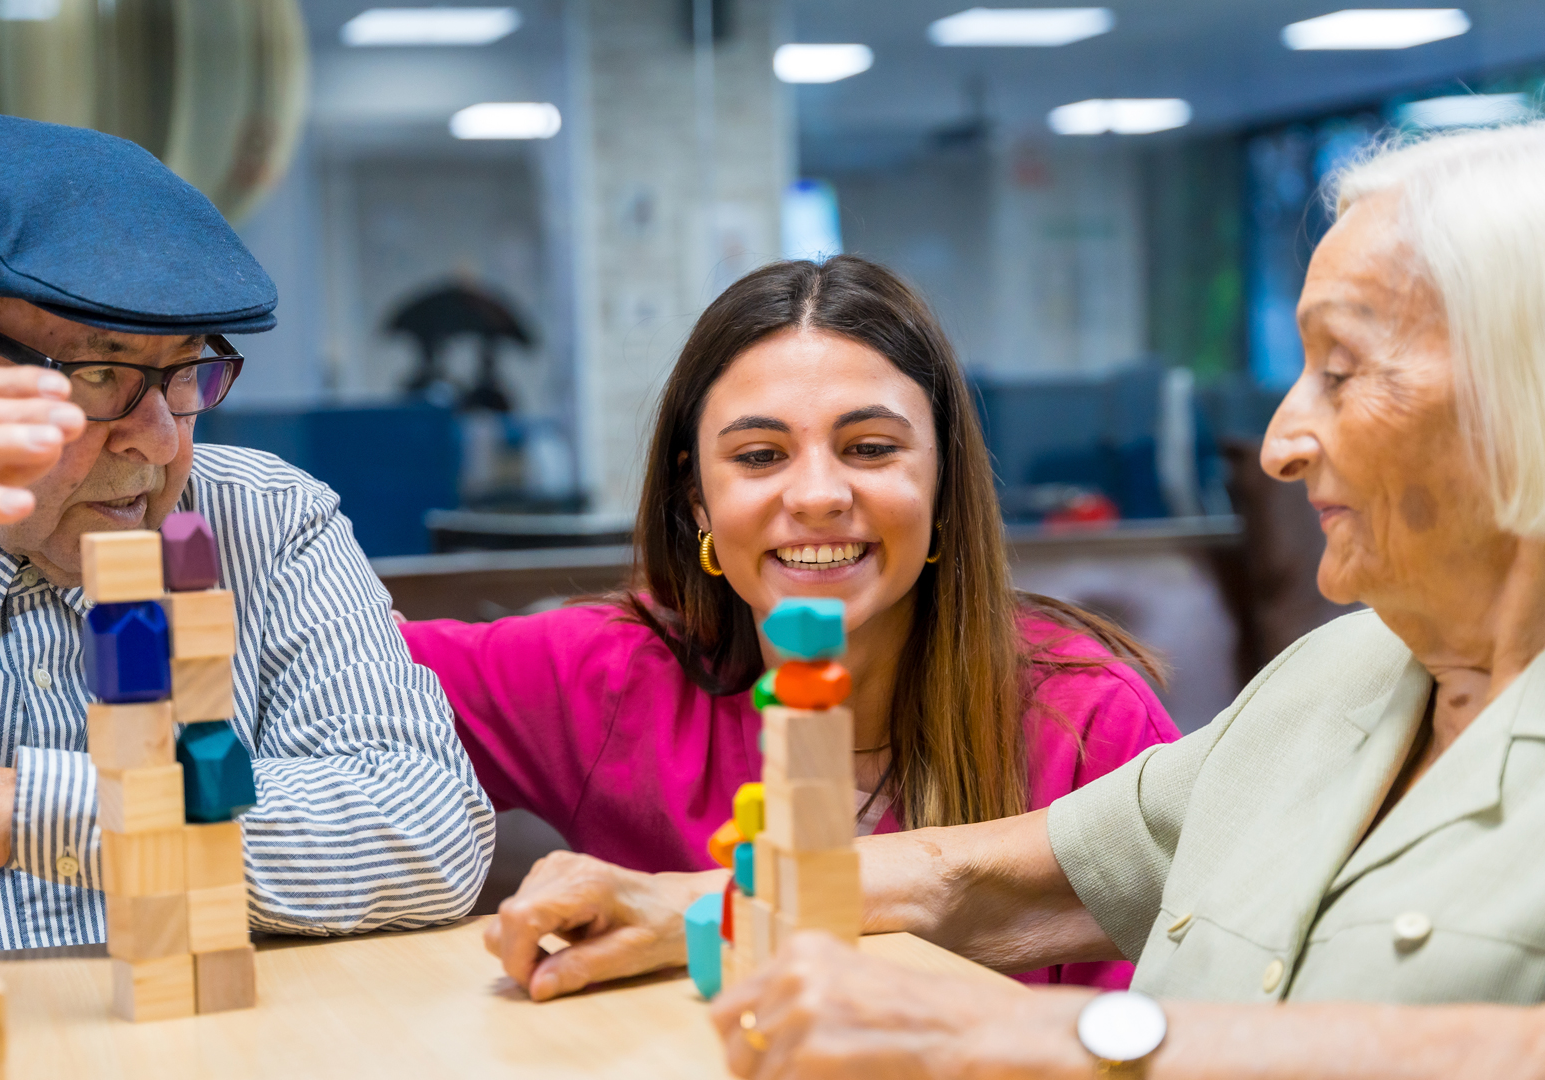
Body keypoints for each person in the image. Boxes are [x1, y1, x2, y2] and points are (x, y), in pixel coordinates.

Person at [694, 103, 1545, 1077]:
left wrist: (1037, 1039)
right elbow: (983, 880)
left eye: (1341, 369)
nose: (1281, 444)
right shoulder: (1337, 675)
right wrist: (684, 907)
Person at [0, 113, 493, 977]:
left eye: (186, 373)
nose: (162, 442)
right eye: (98, 374)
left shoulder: (264, 524)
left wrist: (14, 807)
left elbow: (428, 830)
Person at [403, 256, 1181, 1000]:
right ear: (697, 501)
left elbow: (1169, 1017)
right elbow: (342, 673)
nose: (816, 494)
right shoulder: (603, 675)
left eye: (870, 448)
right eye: (760, 454)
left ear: (943, 484)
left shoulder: (1091, 725)